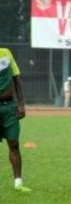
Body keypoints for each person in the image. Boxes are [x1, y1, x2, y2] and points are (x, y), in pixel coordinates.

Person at [0, 48, 31, 192]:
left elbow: (16, 78)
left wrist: (21, 103)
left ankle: (18, 183)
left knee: (14, 143)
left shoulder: (6, 53)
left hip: (9, 107)